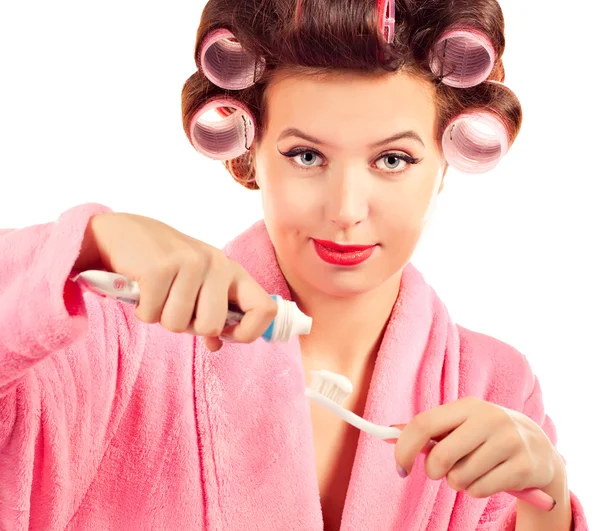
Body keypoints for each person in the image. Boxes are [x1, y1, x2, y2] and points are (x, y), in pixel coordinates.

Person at [0, 0, 589, 529]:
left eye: (393, 159)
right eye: (307, 155)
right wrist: (88, 243)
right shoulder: (119, 344)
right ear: (250, 147)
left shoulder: (494, 386)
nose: (345, 211)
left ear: (446, 156)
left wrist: (547, 505)